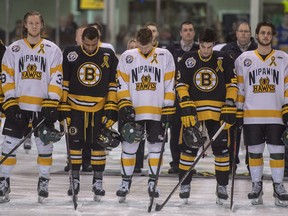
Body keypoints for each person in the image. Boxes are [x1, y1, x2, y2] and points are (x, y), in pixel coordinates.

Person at [0, 11, 63, 203]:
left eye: (37, 23)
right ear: (25, 25)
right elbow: (6, 76)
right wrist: (10, 102)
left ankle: (44, 180)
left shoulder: (53, 49)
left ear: (42, 25)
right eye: (30, 23)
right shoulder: (14, 49)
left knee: (45, 146)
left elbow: (57, 78)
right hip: (19, 106)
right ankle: (3, 181)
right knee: (8, 145)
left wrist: (52, 102)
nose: (34, 26)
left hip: (42, 107)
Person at [176, 27, 237, 204]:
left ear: (214, 45)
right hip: (194, 112)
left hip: (218, 113)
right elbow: (181, 84)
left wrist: (230, 104)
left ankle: (222, 185)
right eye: (203, 46)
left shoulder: (223, 58)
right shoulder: (188, 58)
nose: (206, 50)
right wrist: (186, 102)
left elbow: (232, 84)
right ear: (199, 44)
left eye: (209, 47)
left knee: (222, 151)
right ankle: (184, 185)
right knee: (188, 149)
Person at [116, 27, 176, 202]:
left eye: (147, 46)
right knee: (129, 148)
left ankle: (152, 183)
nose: (144, 50)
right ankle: (125, 183)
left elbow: (169, 83)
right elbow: (121, 82)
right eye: (141, 47)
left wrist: (168, 108)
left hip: (157, 112)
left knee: (156, 149)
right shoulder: (128, 56)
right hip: (134, 112)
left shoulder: (165, 56)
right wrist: (125, 104)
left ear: (153, 41)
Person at [61, 26, 119, 201]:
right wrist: (63, 108)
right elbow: (64, 82)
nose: (91, 48)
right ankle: (75, 180)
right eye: (87, 44)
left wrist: (110, 108)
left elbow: (112, 85)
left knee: (98, 145)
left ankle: (98, 181)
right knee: (75, 145)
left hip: (98, 107)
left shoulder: (108, 55)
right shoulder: (71, 53)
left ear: (98, 41)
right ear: (81, 41)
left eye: (94, 44)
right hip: (75, 107)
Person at [235, 21, 288, 207]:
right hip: (252, 116)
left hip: (276, 116)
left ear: (272, 36)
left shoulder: (283, 58)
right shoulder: (244, 59)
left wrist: (287, 108)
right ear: (256, 35)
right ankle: (256, 185)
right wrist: (237, 111)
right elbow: (240, 88)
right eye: (262, 33)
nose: (265, 36)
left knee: (277, 153)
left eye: (268, 33)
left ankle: (278, 185)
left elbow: (287, 86)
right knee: (255, 153)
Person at [221, 21, 258, 174]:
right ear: (236, 33)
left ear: (250, 34)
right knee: (231, 133)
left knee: (251, 135)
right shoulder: (226, 49)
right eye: (241, 31)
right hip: (232, 99)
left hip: (252, 99)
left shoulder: (258, 49)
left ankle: (252, 164)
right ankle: (231, 162)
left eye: (246, 31)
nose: (243, 34)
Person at [166, 20, 199, 174]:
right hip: (174, 97)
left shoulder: (199, 49)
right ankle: (175, 163)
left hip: (193, 98)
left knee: (192, 131)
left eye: (190, 29)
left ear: (194, 32)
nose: (187, 32)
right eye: (185, 30)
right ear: (180, 32)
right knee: (175, 131)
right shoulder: (171, 50)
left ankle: (189, 164)